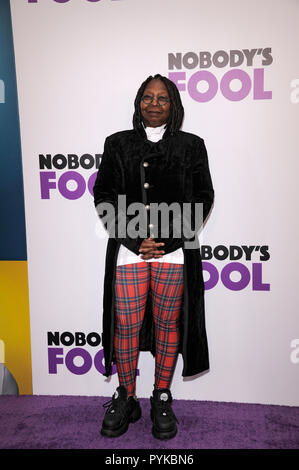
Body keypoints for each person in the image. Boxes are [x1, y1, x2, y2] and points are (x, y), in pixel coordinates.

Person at [93, 73, 214, 440]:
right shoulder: (117, 144)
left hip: (174, 253)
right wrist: (134, 238)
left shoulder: (192, 146)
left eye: (163, 98)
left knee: (167, 326)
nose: (155, 104)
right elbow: (104, 194)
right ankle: (127, 396)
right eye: (148, 97)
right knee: (126, 327)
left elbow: (203, 197)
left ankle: (161, 395)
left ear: (174, 105)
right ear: (138, 102)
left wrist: (166, 238)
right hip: (129, 254)